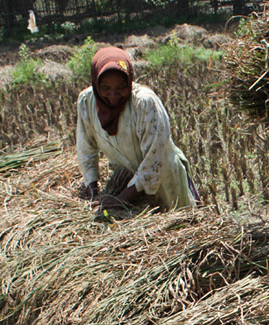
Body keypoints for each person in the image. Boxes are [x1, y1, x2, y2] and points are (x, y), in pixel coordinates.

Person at [75, 46, 198, 214]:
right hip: (126, 181)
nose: (113, 95)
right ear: (96, 83)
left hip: (163, 180)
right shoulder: (87, 101)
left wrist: (120, 200)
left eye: (120, 88)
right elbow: (86, 147)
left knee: (177, 224)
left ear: (129, 81)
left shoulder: (144, 103)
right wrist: (93, 192)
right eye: (106, 88)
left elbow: (154, 159)